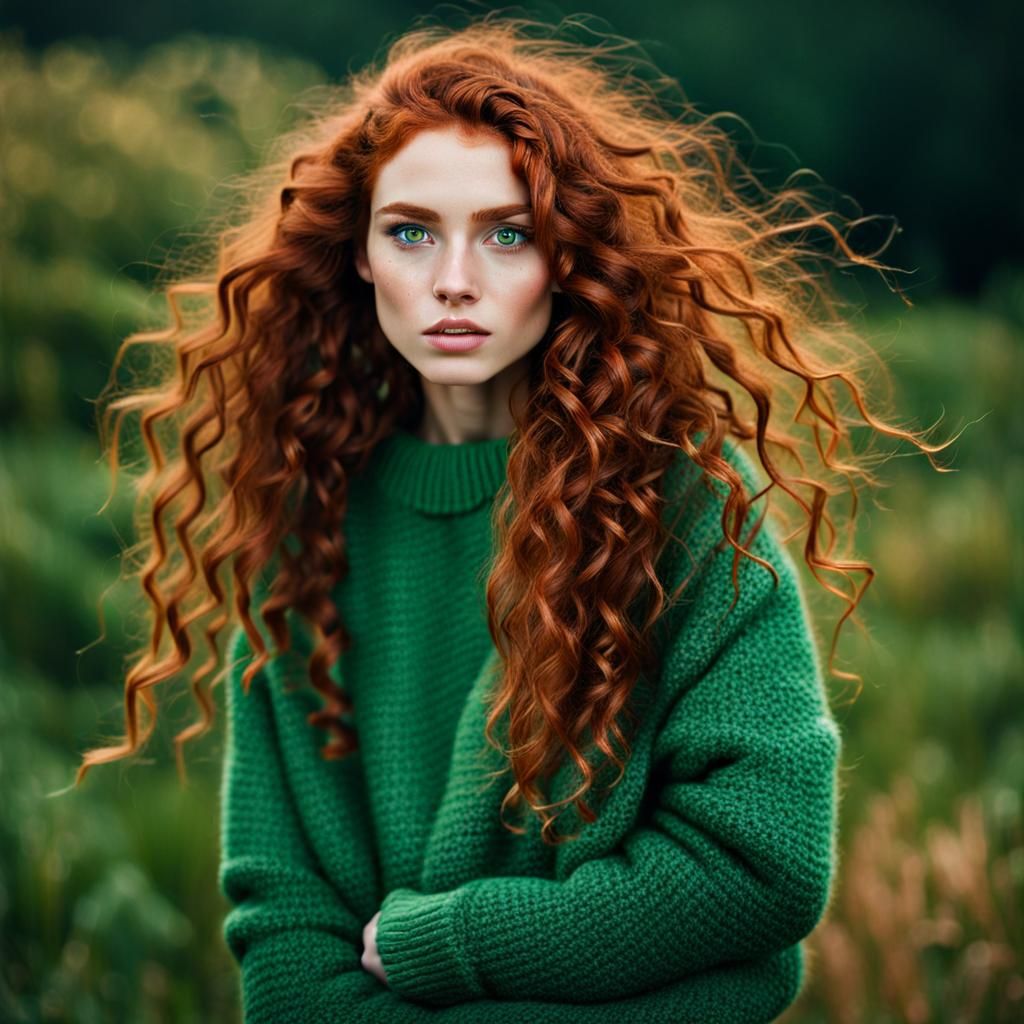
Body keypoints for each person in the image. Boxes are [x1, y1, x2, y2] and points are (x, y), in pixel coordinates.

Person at [72, 13, 951, 1022]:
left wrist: (452, 941)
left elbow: (761, 865)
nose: (455, 279)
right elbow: (284, 941)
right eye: (410, 231)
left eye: (508, 232)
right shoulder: (302, 535)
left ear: (566, 252)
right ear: (357, 254)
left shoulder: (685, 502)